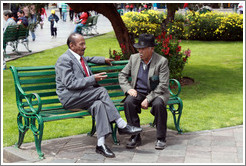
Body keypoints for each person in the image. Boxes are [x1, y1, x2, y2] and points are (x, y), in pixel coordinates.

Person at [55, 33, 142, 158]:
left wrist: (103, 60)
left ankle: (100, 145)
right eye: (81, 44)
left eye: (85, 43)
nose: (85, 47)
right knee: (101, 91)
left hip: (82, 96)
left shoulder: (79, 56)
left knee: (99, 104)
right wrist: (92, 79)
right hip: (70, 98)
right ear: (72, 46)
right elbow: (70, 83)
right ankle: (121, 124)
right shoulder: (64, 60)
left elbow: (89, 59)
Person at [118, 34, 170, 150]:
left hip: (157, 93)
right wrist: (128, 89)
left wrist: (148, 98)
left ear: (151, 48)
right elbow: (122, 75)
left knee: (158, 104)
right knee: (129, 102)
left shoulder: (161, 61)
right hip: (139, 92)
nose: (140, 51)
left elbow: (163, 85)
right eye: (139, 48)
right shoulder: (134, 58)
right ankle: (135, 136)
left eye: (143, 49)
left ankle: (161, 138)